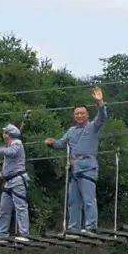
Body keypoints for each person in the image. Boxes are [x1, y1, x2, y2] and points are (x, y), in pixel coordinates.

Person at [45, 87, 107, 234]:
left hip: (87, 167)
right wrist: (52, 143)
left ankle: (91, 226)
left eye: (82, 113)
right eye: (77, 114)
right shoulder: (71, 131)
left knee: (88, 199)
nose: (79, 115)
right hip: (74, 169)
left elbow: (102, 117)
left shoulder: (93, 127)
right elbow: (61, 143)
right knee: (73, 201)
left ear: (87, 115)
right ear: (74, 116)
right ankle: (74, 228)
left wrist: (100, 102)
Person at [0, 123, 30, 242]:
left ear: (8, 134)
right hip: (9, 181)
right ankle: (2, 234)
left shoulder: (17, 144)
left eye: (5, 132)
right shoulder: (10, 145)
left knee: (20, 207)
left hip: (18, 180)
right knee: (4, 209)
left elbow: (11, 152)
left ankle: (24, 234)